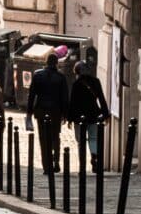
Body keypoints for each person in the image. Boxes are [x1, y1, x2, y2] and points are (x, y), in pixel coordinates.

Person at [25, 49, 72, 178]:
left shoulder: (38, 75)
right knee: (55, 136)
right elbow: (64, 97)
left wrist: (29, 112)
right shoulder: (61, 77)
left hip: (41, 110)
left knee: (43, 138)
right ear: (56, 63)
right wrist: (65, 114)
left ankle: (47, 166)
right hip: (55, 111)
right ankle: (56, 159)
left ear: (46, 62)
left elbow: (32, 95)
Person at [68, 54, 110, 164]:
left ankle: (82, 162)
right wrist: (106, 114)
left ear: (77, 72)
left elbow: (72, 102)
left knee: (80, 141)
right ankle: (94, 157)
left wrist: (69, 119)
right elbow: (101, 98)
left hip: (79, 117)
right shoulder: (96, 81)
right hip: (93, 114)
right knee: (93, 138)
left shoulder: (76, 84)